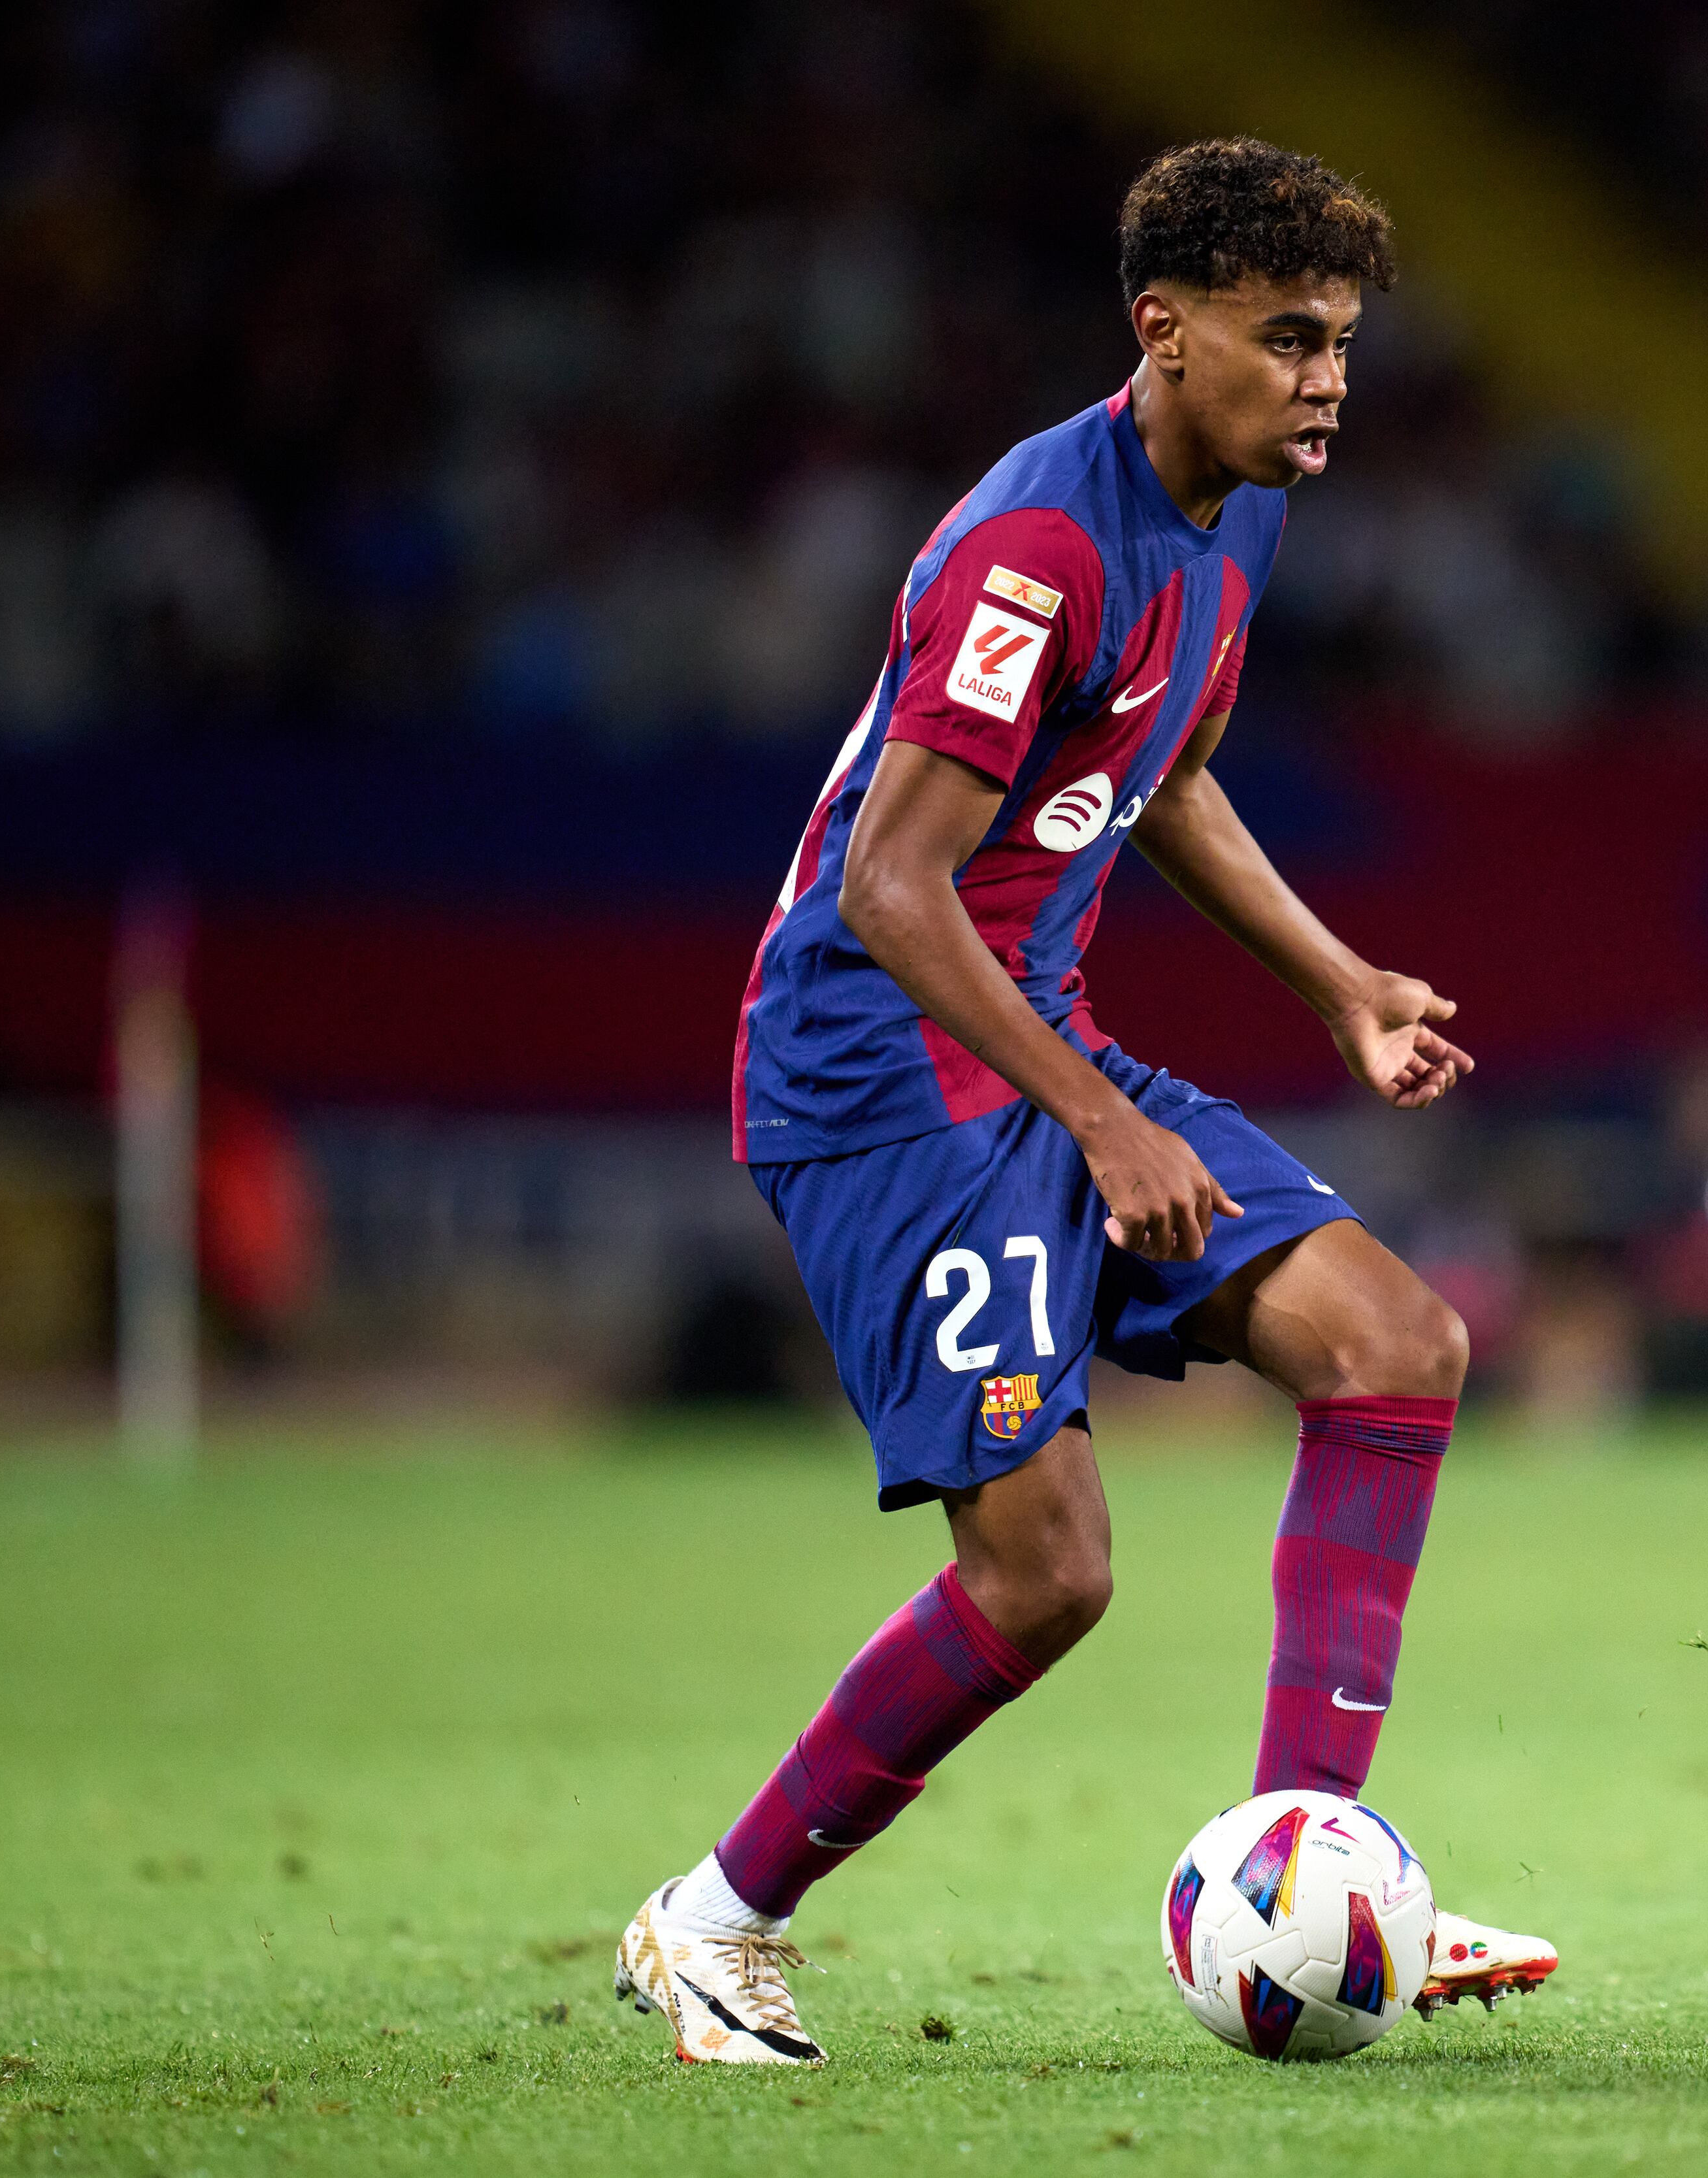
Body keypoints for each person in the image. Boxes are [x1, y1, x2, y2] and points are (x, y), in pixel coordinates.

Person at [611, 139, 1556, 2066]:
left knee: (1396, 1343)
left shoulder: (1241, 510)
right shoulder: (1033, 545)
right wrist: (1109, 1129)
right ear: (1164, 331)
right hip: (882, 1080)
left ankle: (1319, 1860)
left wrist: (1340, 980)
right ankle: (710, 1923)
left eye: (1344, 343)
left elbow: (1170, 765)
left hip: (1029, 1037)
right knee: (1048, 1576)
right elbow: (889, 887)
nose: (1327, 381)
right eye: (1288, 339)